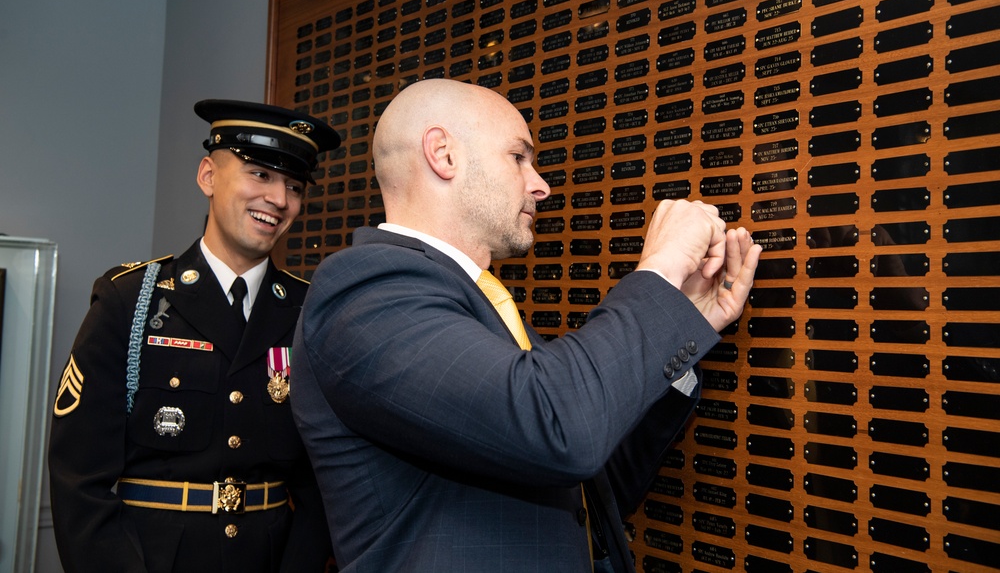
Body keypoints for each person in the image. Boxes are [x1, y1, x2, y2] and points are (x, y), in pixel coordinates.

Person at [291, 78, 761, 572]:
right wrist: (660, 271)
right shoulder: (364, 288)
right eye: (519, 157)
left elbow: (592, 494)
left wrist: (681, 315)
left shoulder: (481, 304)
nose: (541, 184)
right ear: (443, 154)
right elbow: (558, 430)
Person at [49, 99, 341, 573]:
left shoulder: (311, 311)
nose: (279, 199)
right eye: (259, 175)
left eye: (293, 185)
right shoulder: (131, 300)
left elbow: (321, 482)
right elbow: (78, 479)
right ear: (208, 175)